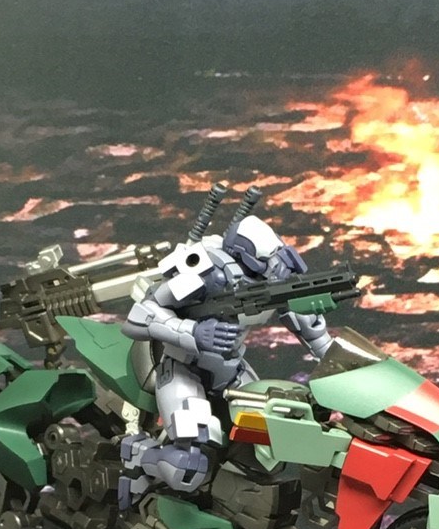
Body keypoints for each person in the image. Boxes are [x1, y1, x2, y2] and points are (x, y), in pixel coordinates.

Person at [119, 208, 332, 505]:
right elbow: (137, 318)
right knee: (187, 468)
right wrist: (193, 332)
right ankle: (139, 455)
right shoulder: (207, 274)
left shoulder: (273, 279)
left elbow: (311, 331)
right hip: (185, 371)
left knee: (269, 454)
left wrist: (340, 363)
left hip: (232, 374)